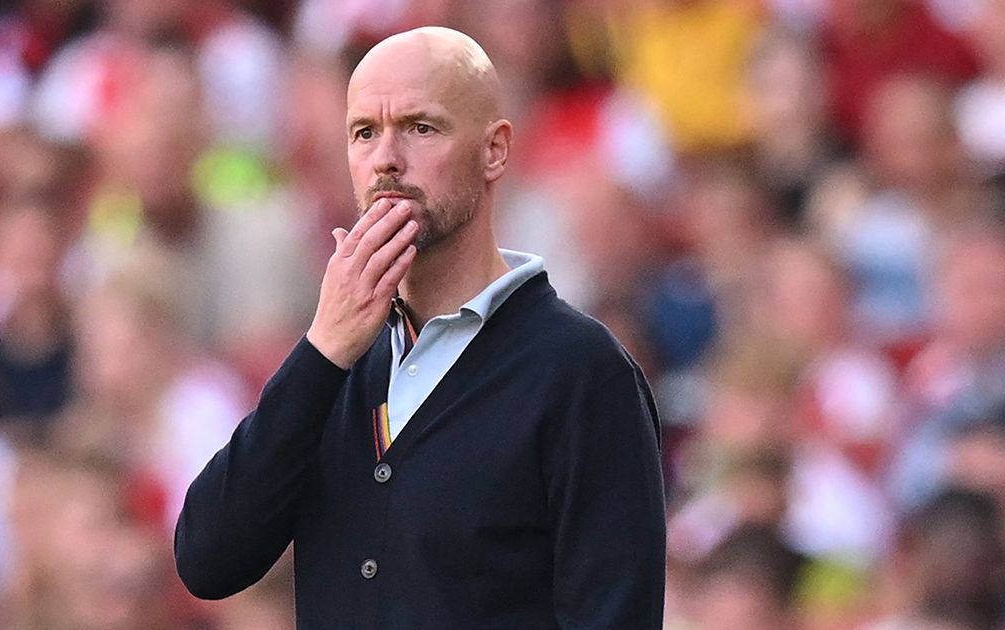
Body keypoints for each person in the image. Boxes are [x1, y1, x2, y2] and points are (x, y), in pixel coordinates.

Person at [174, 26, 666, 629]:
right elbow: (208, 558)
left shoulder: (582, 369)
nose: (385, 157)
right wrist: (321, 354)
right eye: (364, 132)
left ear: (495, 151)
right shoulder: (333, 366)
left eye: (420, 127)